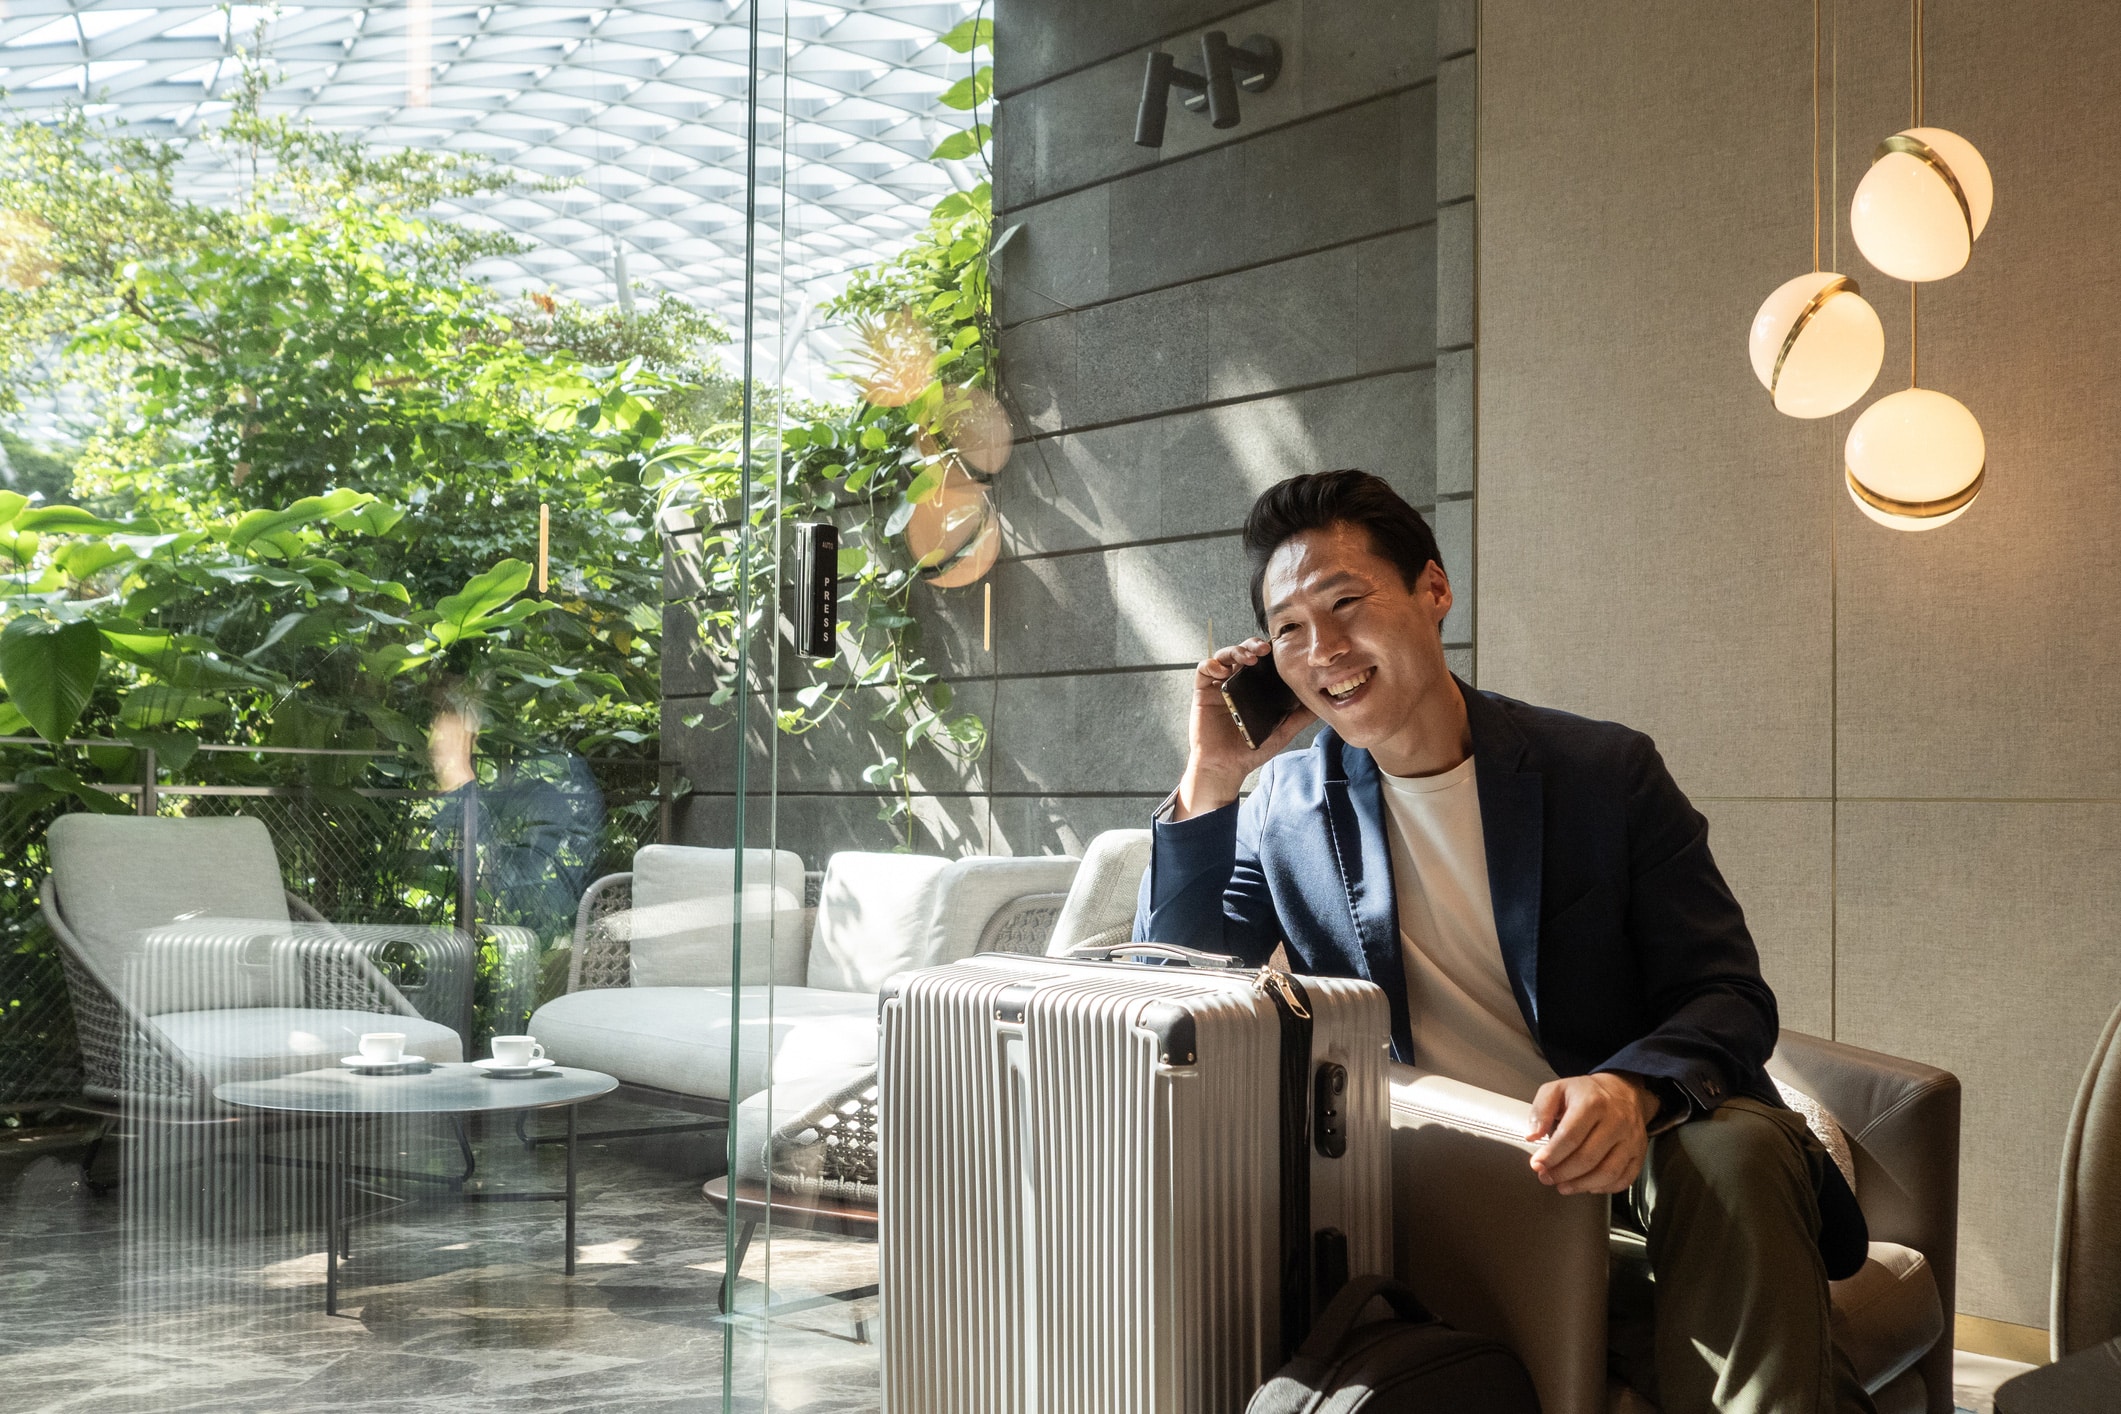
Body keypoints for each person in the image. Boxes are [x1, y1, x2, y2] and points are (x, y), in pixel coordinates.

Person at [1134, 469, 1872, 1414]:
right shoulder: (1281, 806)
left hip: (1642, 1181)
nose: (1322, 649)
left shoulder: (1602, 772)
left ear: (1433, 591)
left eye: (1346, 603)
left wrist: (1628, 1089)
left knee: (1736, 1152)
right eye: (1286, 630)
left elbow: (1727, 994)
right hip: (1448, 1196)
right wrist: (1213, 774)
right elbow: (1167, 987)